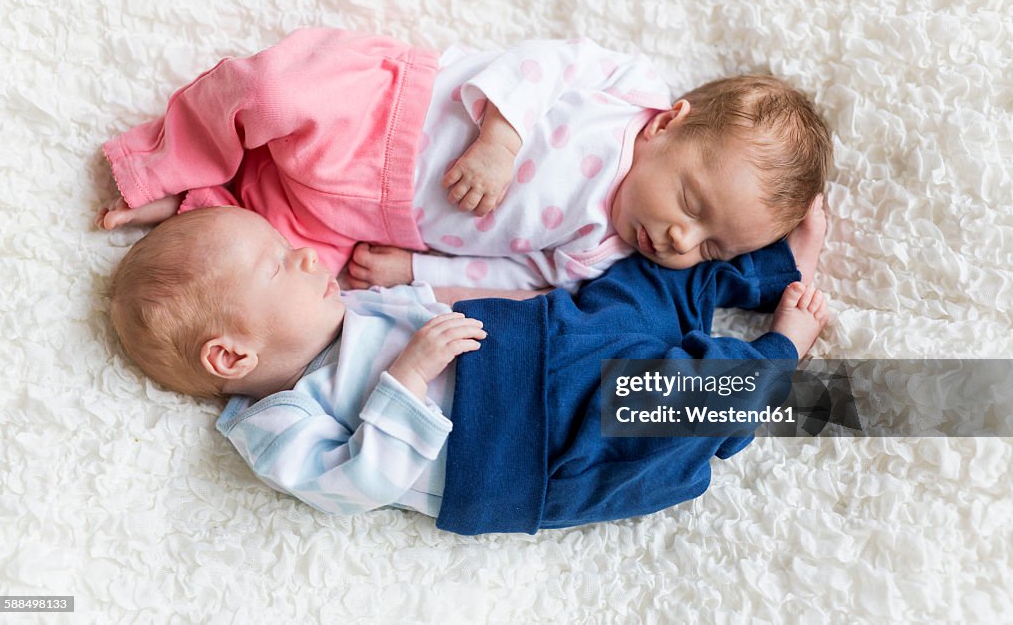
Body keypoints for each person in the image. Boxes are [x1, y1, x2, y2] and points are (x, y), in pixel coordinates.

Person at [106, 205, 829, 534]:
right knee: (667, 407)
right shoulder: (276, 423)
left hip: (540, 337)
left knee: (643, 284)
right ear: (232, 355)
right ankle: (779, 358)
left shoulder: (350, 304)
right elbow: (357, 485)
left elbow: (447, 295)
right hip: (525, 451)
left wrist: (553, 303)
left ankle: (773, 270)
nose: (302, 254)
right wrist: (405, 381)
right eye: (275, 265)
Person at [97, 27, 832, 291]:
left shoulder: (598, 251)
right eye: (694, 207)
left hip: (365, 220)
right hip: (387, 115)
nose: (679, 241)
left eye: (710, 249)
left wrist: (419, 270)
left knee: (279, 279)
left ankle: (190, 208)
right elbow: (545, 63)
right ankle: (167, 158)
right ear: (671, 124)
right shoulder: (627, 92)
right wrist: (502, 139)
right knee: (274, 88)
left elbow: (515, 277)